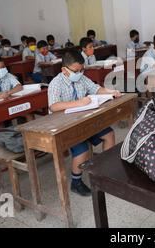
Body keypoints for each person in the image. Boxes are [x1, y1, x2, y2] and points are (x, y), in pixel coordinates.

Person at [47, 50, 121, 196]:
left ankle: (105, 172)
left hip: (84, 120)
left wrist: (110, 92)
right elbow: (53, 106)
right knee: (82, 151)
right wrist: (78, 103)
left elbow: (96, 89)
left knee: (109, 134)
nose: (80, 73)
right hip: (66, 125)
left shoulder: (81, 78)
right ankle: (76, 182)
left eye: (82, 70)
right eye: (76, 70)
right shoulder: (56, 83)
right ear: (64, 70)